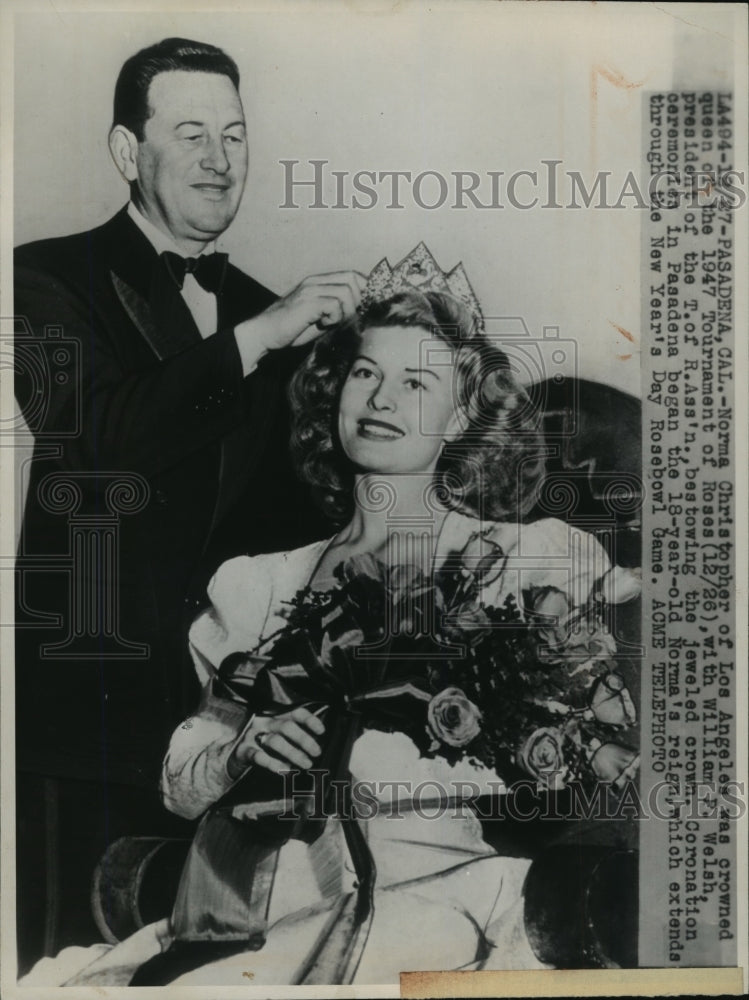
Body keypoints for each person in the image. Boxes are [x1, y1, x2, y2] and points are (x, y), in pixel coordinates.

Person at [22, 263, 622, 987]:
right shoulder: (260, 584)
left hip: (433, 897)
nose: (380, 399)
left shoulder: (511, 560)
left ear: (460, 418)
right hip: (250, 908)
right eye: (365, 374)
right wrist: (244, 748)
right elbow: (184, 783)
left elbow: (589, 730)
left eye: (415, 384)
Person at [13, 36, 364, 972]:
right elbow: (93, 440)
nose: (220, 159)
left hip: (230, 718)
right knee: (65, 964)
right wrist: (260, 336)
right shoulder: (41, 276)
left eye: (236, 136)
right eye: (193, 133)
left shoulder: (265, 317)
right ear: (130, 154)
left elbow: (294, 524)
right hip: (90, 711)